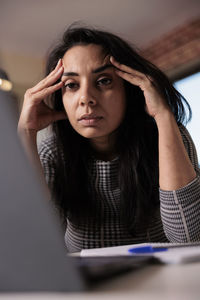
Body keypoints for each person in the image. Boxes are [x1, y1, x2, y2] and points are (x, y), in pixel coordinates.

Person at [18, 25, 200, 252]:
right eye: (72, 85)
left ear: (129, 88)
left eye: (103, 80)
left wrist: (163, 116)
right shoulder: (53, 152)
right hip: (92, 286)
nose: (86, 98)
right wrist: (25, 133)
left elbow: (189, 238)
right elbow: (36, 246)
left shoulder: (168, 136)